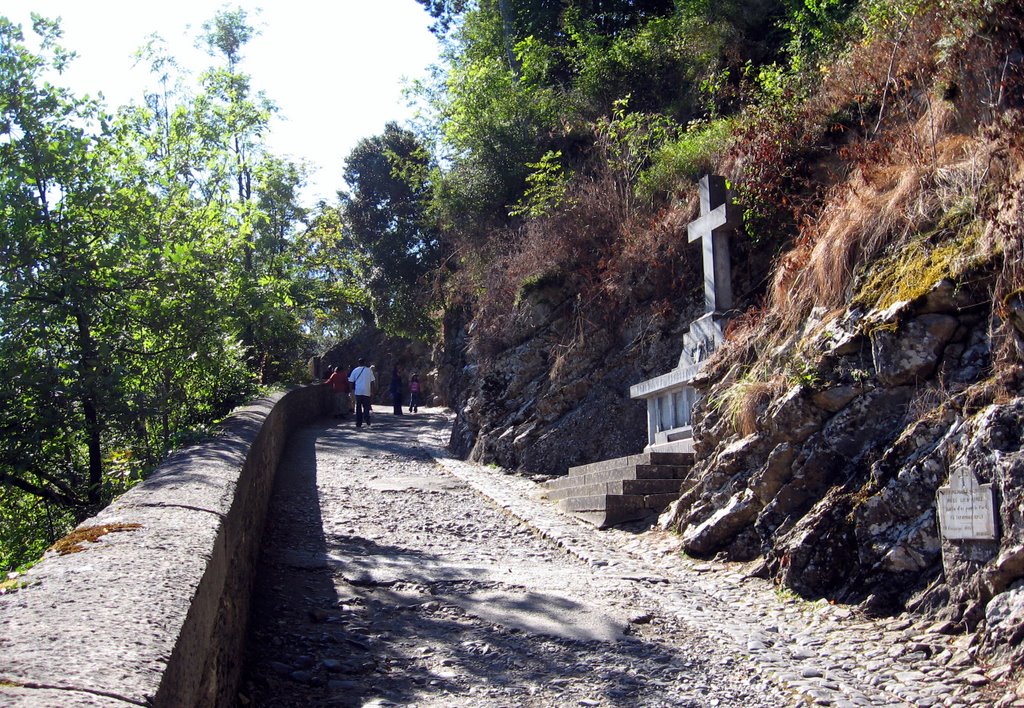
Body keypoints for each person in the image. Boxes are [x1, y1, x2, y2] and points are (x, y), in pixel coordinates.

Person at [348, 358, 375, 428]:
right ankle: (367, 418)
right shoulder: (369, 370)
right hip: (366, 391)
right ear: (365, 362)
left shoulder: (355, 370)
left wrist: (350, 391)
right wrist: (372, 391)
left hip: (358, 391)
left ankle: (358, 423)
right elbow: (372, 382)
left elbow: (351, 381)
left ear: (358, 363)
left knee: (358, 407)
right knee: (366, 406)